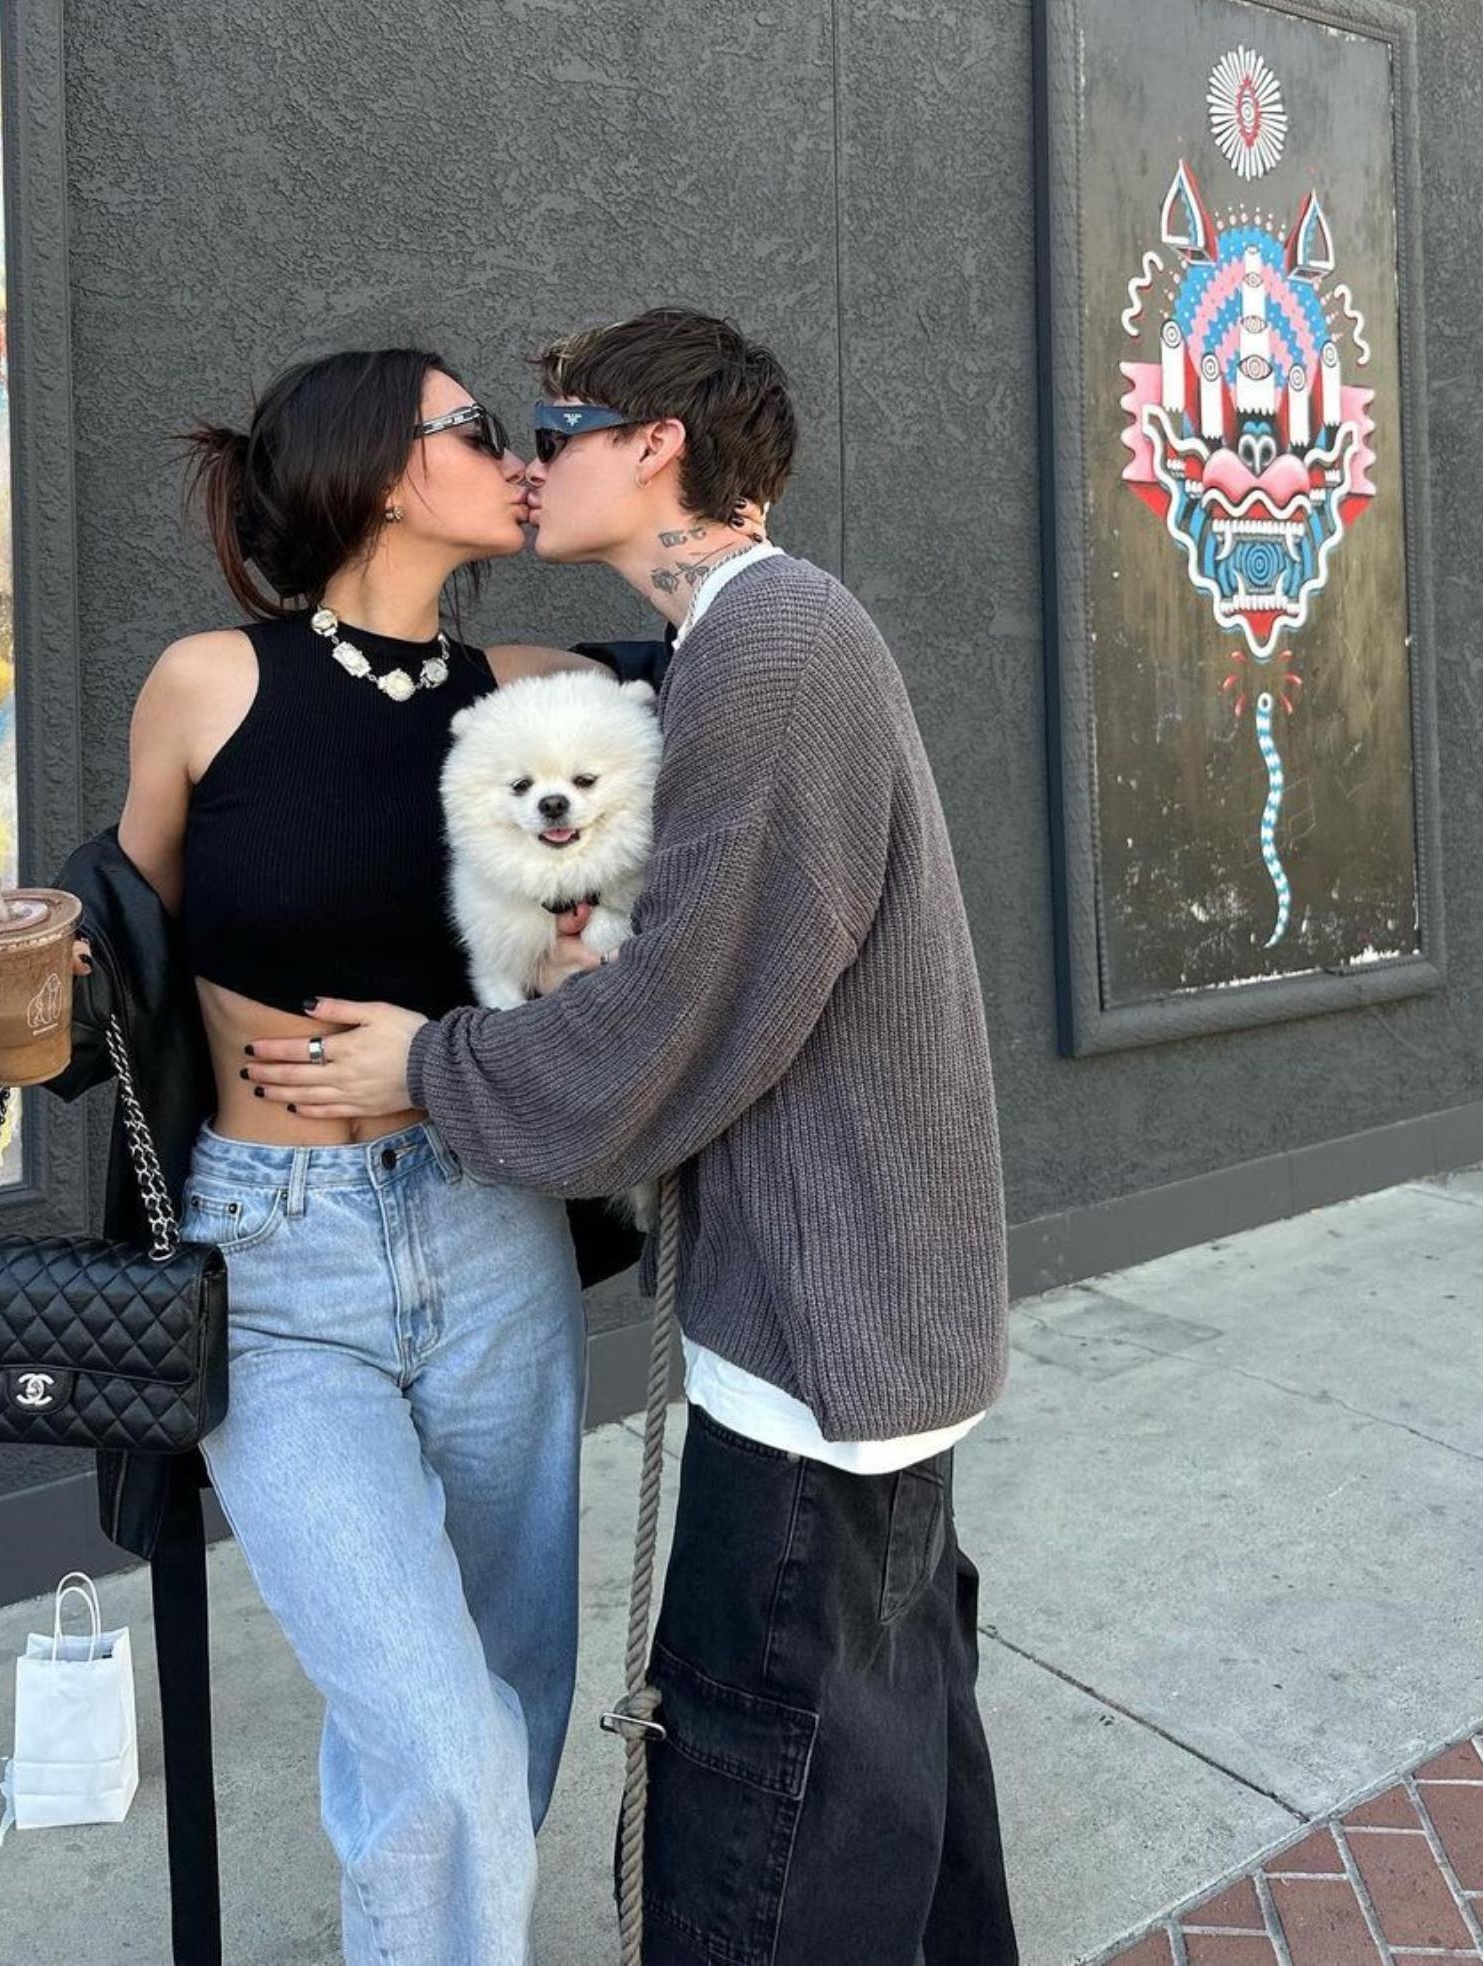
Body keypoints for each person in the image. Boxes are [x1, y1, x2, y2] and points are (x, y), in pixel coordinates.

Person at [246, 309, 1022, 1965]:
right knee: (896, 1760)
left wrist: (431, 1065)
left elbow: (687, 1014)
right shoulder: (742, 641)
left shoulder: (773, 643)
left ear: (656, 444)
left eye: (556, 427)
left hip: (821, 1326)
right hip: (866, 1301)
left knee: (764, 1823)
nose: (533, 462)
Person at [0, 340, 635, 1966]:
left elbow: (729, 673)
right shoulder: (210, 685)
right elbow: (119, 935)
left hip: (492, 1229)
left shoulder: (531, 696)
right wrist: (17, 997)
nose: (513, 453)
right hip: (277, 1257)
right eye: (475, 428)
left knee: (508, 1693)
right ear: (384, 471)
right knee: (436, 1735)